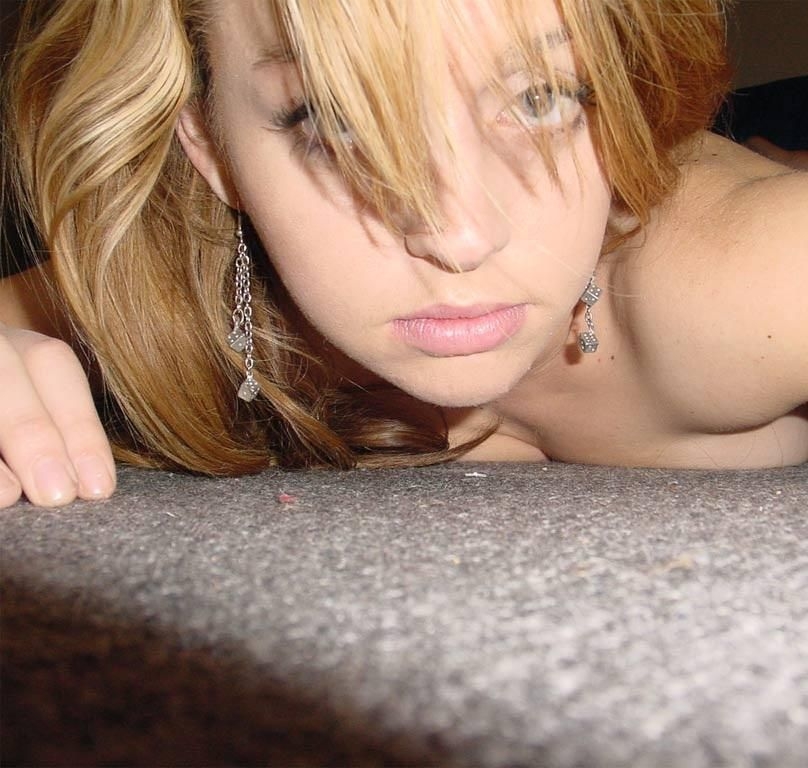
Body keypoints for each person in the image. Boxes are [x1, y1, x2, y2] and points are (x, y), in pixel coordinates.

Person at [1, 0, 806, 509]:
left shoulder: (755, 275)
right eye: (337, 122)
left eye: (539, 97)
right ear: (212, 149)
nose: (460, 240)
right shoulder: (183, 283)